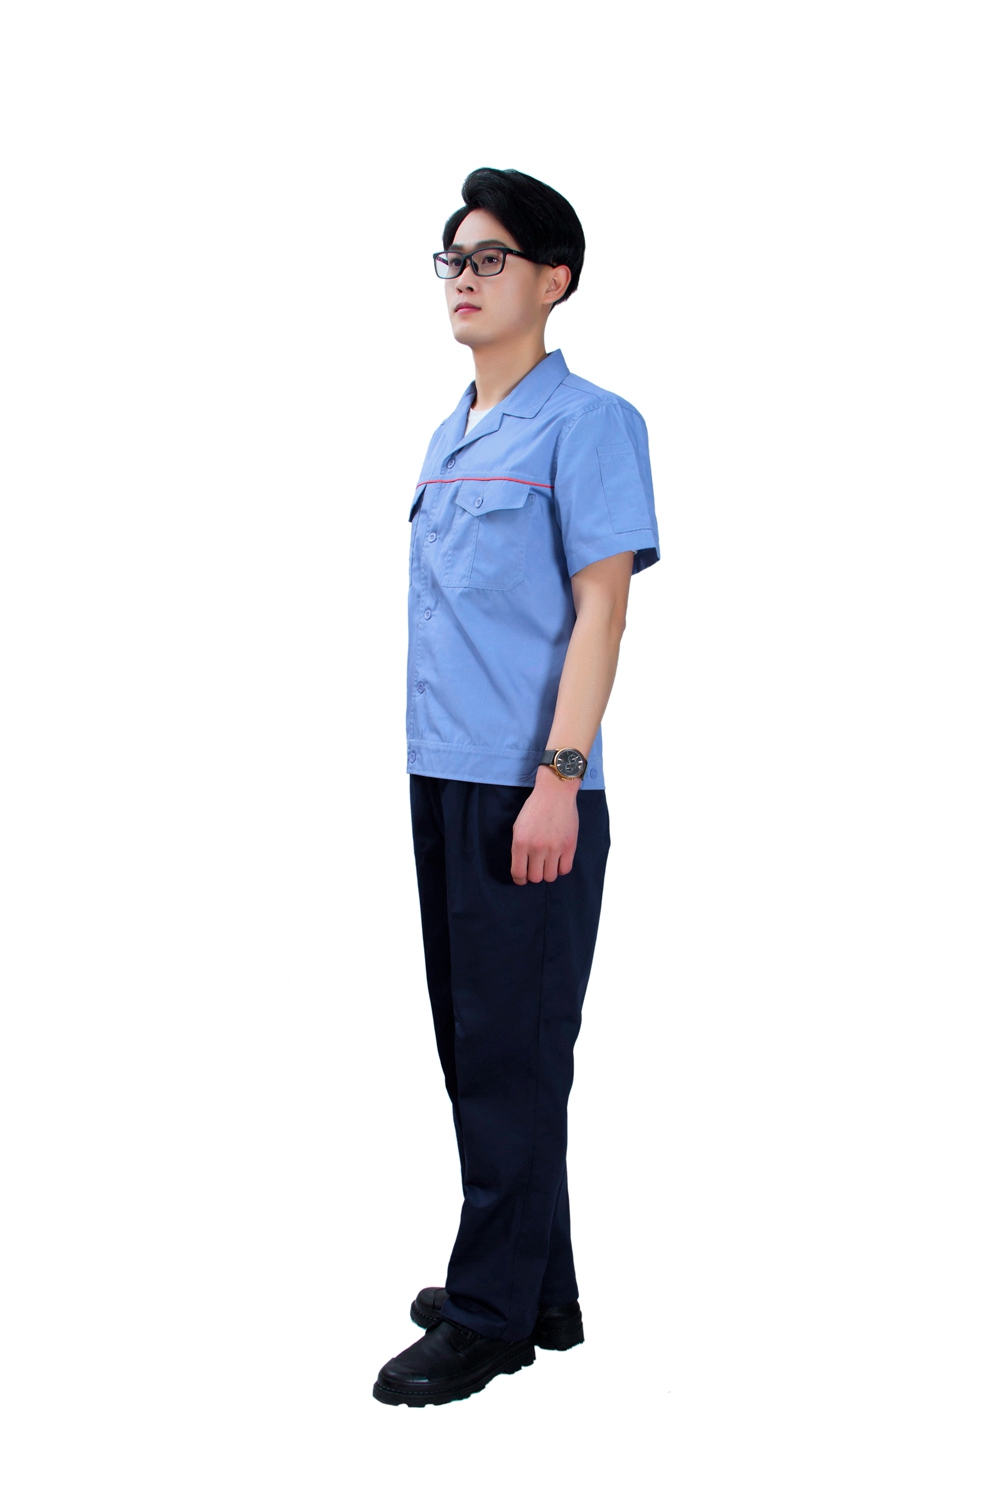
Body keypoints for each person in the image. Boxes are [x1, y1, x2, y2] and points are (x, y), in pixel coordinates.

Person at [373, 168, 660, 1407]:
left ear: (554, 279)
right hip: (441, 776)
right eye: (452, 258)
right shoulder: (451, 432)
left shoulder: (589, 423)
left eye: (491, 258)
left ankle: (488, 1316)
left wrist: (559, 777)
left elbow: (602, 612)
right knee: (480, 1047)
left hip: (526, 785)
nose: (464, 278)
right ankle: (540, 1287)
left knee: (510, 1054)